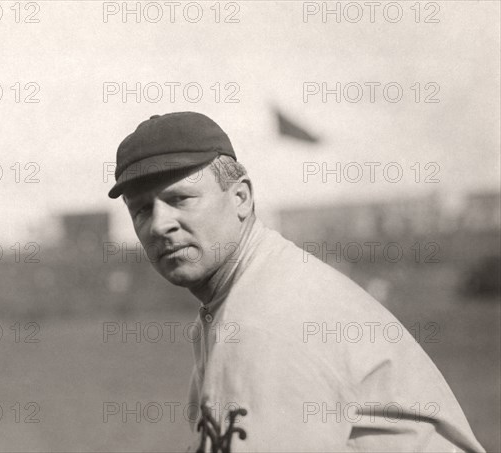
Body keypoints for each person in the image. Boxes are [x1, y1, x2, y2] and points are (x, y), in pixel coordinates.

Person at [108, 112, 484, 452]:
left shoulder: (267, 318)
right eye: (141, 209)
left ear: (241, 197)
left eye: (181, 198)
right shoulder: (249, 292)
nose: (159, 225)